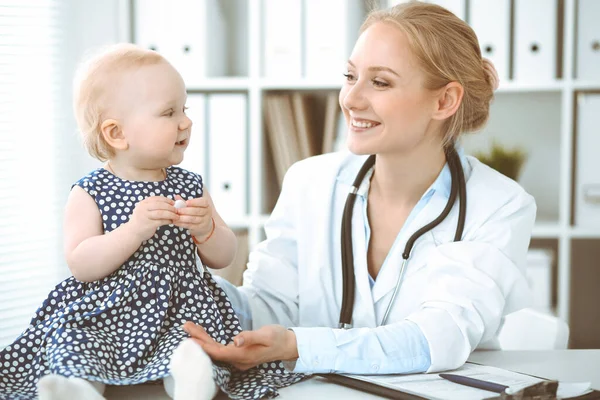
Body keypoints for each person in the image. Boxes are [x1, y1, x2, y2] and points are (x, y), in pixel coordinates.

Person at [183, 1, 536, 376]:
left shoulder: (500, 205)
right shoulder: (309, 182)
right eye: (350, 76)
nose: (350, 100)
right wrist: (183, 278)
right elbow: (269, 307)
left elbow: (438, 339)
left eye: (380, 82)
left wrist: (300, 345)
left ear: (444, 100)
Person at [0, 43, 303, 400]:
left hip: (178, 308)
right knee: (74, 337)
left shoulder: (189, 184)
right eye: (169, 112)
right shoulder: (90, 191)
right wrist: (132, 231)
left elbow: (224, 255)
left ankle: (192, 384)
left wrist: (206, 231)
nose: (186, 121)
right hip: (105, 313)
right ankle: (78, 388)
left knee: (190, 342)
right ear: (116, 134)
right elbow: (81, 263)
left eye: (184, 109)